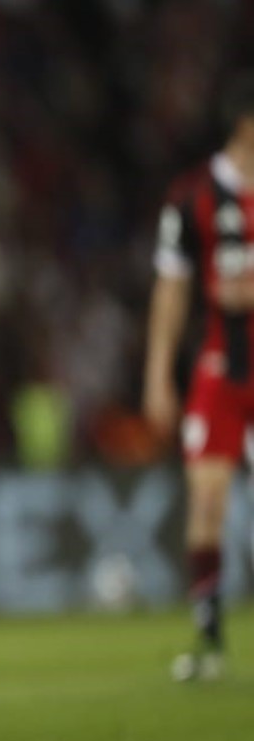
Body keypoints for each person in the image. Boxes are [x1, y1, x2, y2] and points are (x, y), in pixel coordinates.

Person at [144, 74, 254, 683]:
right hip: (220, 370)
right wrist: (158, 374)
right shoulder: (193, 197)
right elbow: (172, 288)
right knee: (207, 498)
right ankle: (210, 640)